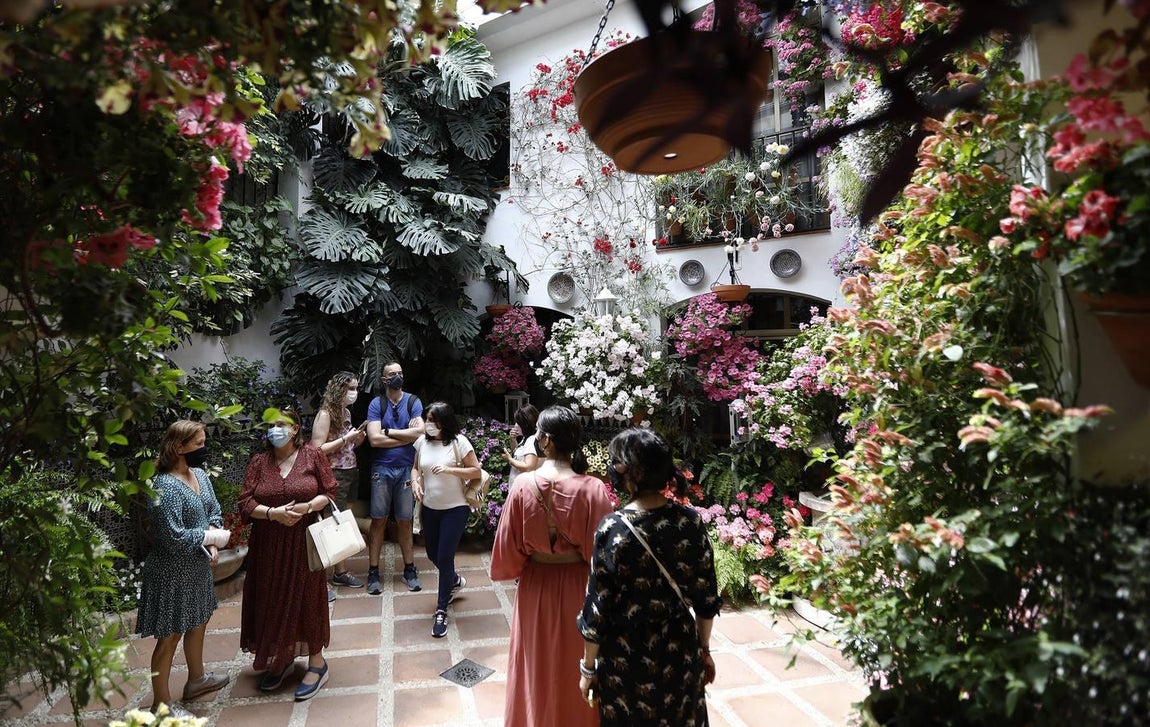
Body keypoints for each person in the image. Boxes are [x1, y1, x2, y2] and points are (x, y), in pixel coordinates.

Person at [577, 428, 722, 726]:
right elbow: (706, 599)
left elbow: (597, 610)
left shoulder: (612, 529)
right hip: (680, 652)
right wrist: (703, 650)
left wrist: (588, 668)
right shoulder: (690, 522)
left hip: (625, 660)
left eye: (616, 462)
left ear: (633, 474)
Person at [490, 405, 614, 727]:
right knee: (576, 661)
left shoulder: (522, 485)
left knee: (535, 663)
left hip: (536, 586)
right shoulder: (592, 488)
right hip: (578, 587)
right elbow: (602, 557)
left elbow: (507, 550)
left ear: (543, 441)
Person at [238, 408, 338, 701]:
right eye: (270, 425)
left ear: (295, 429)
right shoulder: (259, 462)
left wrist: (306, 507)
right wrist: (272, 514)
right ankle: (281, 658)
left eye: (281, 425)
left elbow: (329, 492)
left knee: (307, 599)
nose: (275, 430)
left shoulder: (312, 456)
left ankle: (317, 664)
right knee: (271, 598)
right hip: (267, 545)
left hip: (303, 542)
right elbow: (245, 502)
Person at [136, 420, 231, 716]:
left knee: (199, 620)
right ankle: (160, 706)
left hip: (197, 567)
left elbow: (214, 510)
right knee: (169, 637)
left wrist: (213, 542)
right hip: (170, 572)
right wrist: (209, 537)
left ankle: (197, 680)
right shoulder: (164, 486)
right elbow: (172, 537)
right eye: (199, 444)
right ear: (179, 447)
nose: (204, 449)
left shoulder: (200, 474)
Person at [410, 402, 482, 637]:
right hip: (430, 507)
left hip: (455, 508)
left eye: (433, 420)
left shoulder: (458, 442)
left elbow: (476, 471)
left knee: (444, 556)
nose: (428, 424)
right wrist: (415, 482)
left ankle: (441, 609)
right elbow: (414, 468)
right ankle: (453, 579)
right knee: (432, 553)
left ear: (444, 422)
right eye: (427, 419)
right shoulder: (422, 442)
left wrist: (451, 470)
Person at [365, 361, 424, 594]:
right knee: (378, 520)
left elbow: (419, 432)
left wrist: (388, 432)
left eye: (400, 372)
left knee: (405, 520)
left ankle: (409, 569)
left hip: (407, 469)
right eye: (392, 374)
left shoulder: (413, 401)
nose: (397, 376)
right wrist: (405, 437)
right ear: (384, 379)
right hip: (382, 468)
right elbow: (374, 440)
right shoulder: (376, 404)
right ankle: (373, 572)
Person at [310, 370, 368, 597]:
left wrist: (357, 440)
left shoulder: (345, 412)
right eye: (350, 388)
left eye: (355, 388)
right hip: (333, 474)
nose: (354, 393)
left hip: (350, 471)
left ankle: (340, 572)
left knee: (342, 523)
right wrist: (346, 438)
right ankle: (320, 580)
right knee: (329, 525)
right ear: (339, 389)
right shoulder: (325, 414)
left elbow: (346, 448)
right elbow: (316, 450)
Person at [501, 403, 541, 474]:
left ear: (526, 424)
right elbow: (520, 456)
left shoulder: (532, 440)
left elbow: (528, 467)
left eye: (518, 423)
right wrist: (513, 440)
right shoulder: (525, 438)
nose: (515, 425)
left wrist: (510, 459)